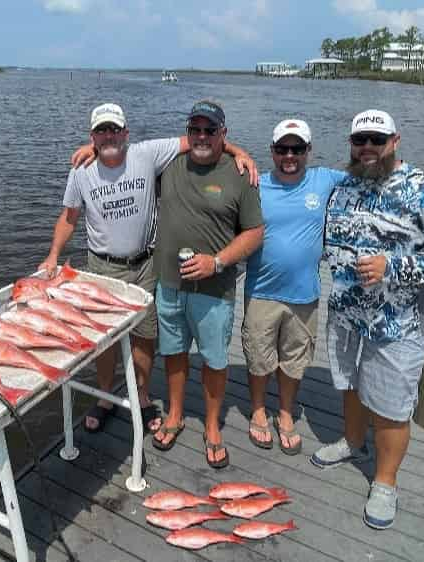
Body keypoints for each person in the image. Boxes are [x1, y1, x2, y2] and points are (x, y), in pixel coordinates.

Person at [40, 102, 256, 435]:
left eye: (114, 129)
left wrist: (241, 151)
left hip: (145, 264)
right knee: (105, 341)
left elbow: (202, 141)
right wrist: (54, 255)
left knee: (145, 336)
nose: (109, 136)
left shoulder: (147, 153)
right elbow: (69, 218)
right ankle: (105, 397)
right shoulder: (80, 170)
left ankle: (142, 396)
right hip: (103, 266)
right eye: (101, 131)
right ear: (92, 136)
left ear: (126, 133)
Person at [312, 109, 424, 530]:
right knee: (349, 384)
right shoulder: (344, 185)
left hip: (396, 323)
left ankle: (385, 481)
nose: (366, 148)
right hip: (345, 311)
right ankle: (352, 441)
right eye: (359, 140)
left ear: (394, 141)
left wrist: (394, 266)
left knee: (391, 406)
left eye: (375, 141)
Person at [150, 100, 264, 469]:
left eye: (210, 130)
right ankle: (175, 414)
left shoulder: (239, 173)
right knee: (173, 352)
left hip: (215, 291)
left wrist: (216, 262)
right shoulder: (167, 165)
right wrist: (95, 147)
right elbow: (123, 156)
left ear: (223, 134)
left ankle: (213, 426)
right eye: (195, 129)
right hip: (169, 284)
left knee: (214, 360)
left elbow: (255, 233)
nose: (201, 136)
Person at [242, 119, 347, 454]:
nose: (290, 155)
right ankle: (259, 410)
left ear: (308, 151)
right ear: (272, 152)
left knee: (294, 361)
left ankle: (285, 413)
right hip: (261, 291)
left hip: (305, 294)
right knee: (259, 358)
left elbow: (371, 176)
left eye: (297, 149)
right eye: (283, 149)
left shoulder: (325, 180)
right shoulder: (255, 183)